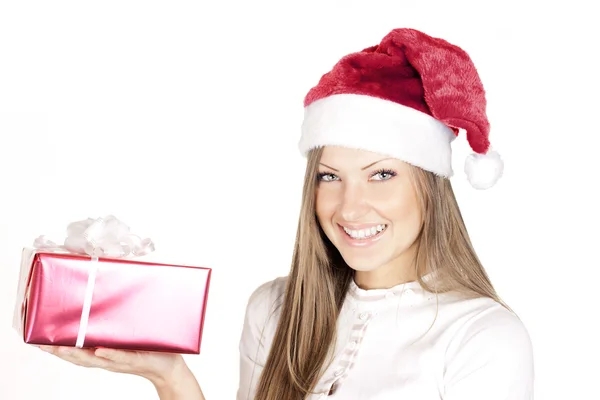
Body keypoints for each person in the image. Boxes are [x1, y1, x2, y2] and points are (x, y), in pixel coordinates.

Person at [38, 27, 534, 399]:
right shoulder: (275, 311)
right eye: (329, 176)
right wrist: (169, 375)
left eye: (382, 174)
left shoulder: (482, 338)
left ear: (429, 186)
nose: (350, 206)